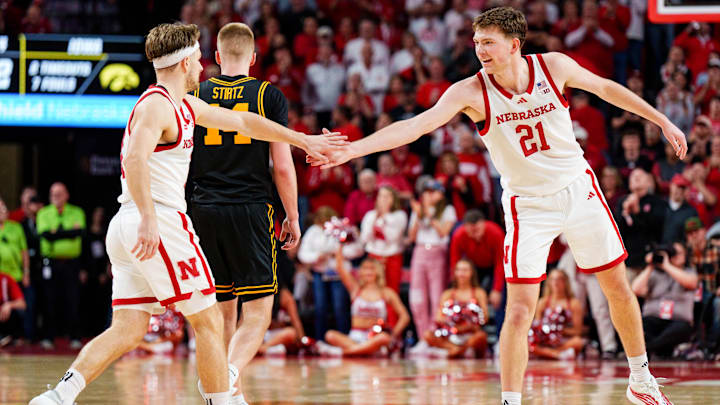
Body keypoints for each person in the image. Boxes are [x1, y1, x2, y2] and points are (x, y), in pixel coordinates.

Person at [309, 7, 686, 404]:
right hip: (528, 205)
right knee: (521, 309)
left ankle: (641, 378)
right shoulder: (469, 91)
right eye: (477, 43)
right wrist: (353, 151)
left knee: (619, 290)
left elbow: (607, 88)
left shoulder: (553, 66)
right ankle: (510, 400)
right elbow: (415, 126)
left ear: (514, 45)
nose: (480, 51)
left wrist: (660, 119)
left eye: (488, 43)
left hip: (579, 188)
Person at [29, 22, 343, 405]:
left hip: (130, 224)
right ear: (182, 64)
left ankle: (59, 397)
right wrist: (148, 218)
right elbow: (133, 158)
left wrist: (301, 138)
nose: (202, 67)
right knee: (209, 319)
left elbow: (244, 122)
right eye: (196, 60)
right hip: (156, 220)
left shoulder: (185, 104)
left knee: (128, 329)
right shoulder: (158, 105)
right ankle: (221, 400)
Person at [188, 22, 315, 405]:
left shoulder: (195, 93)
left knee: (221, 313)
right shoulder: (268, 95)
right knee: (258, 312)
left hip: (203, 209)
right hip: (250, 209)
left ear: (216, 57)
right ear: (255, 59)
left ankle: (224, 394)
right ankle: (227, 376)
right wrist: (292, 215)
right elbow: (281, 164)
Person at [317, 246, 410, 357]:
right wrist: (340, 245)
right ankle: (367, 351)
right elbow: (340, 268)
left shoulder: (386, 292)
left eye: (372, 268)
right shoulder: (356, 289)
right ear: (361, 271)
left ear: (378, 271)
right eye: (365, 269)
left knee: (384, 338)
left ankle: (341, 352)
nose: (368, 272)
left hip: (375, 337)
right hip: (354, 337)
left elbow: (405, 316)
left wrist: (393, 334)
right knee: (330, 335)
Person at [407, 180, 457, 349]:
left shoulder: (448, 210)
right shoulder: (419, 210)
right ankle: (423, 338)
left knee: (437, 296)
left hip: (437, 252)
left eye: (431, 191)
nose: (427, 195)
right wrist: (418, 215)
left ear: (440, 193)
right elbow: (412, 237)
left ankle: (435, 336)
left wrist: (428, 213)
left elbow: (443, 232)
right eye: (425, 192)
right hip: (420, 251)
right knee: (417, 297)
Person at [36, 182, 84, 350]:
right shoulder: (43, 213)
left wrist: (57, 233)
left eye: (59, 193)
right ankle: (49, 337)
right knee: (49, 300)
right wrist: (67, 234)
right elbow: (46, 235)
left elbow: (78, 233)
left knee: (72, 300)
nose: (55, 197)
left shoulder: (77, 211)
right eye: (53, 194)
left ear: (66, 195)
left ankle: (74, 337)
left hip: (71, 263)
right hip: (51, 262)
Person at [631, 243, 698, 358]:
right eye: (673, 253)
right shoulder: (655, 274)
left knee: (680, 330)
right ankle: (660, 348)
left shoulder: (689, 272)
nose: (677, 256)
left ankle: (649, 348)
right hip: (654, 319)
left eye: (679, 253)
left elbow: (691, 283)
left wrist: (667, 266)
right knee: (639, 327)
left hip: (677, 321)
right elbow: (635, 290)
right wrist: (650, 266)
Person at [424, 259, 488, 358]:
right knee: (427, 335)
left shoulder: (479, 292)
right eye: (459, 270)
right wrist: (453, 323)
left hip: (470, 333)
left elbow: (485, 316)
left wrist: (469, 323)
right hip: (451, 334)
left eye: (465, 270)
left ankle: (459, 350)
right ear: (455, 273)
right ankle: (455, 348)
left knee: (481, 337)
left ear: (472, 273)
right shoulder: (448, 293)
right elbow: (438, 317)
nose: (462, 273)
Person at [449, 210, 504, 311]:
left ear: (484, 224)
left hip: (494, 265)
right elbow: (455, 262)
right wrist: (456, 285)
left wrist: (497, 290)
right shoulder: (459, 235)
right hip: (474, 266)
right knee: (469, 293)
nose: (475, 235)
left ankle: (500, 324)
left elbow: (500, 262)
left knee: (499, 298)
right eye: (472, 231)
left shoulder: (496, 233)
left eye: (477, 230)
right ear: (465, 227)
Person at [528, 269, 585, 360]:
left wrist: (558, 330)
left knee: (578, 342)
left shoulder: (573, 303)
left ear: (565, 282)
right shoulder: (543, 302)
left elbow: (577, 331)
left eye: (559, 279)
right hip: (544, 340)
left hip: (562, 340)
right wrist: (547, 331)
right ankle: (556, 354)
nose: (556, 283)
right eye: (553, 279)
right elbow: (537, 326)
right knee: (524, 341)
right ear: (549, 282)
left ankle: (547, 353)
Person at [360, 186, 408, 294]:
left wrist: (384, 216)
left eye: (387, 196)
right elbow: (364, 239)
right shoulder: (370, 215)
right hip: (373, 257)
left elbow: (393, 238)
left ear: (393, 199)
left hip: (392, 257)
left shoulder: (400, 215)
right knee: (373, 289)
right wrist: (375, 219)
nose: (383, 199)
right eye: (381, 196)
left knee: (391, 291)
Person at [0, 272, 26, 347]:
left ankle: (11, 336)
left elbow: (23, 304)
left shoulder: (5, 279)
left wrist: (9, 305)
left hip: (4, 316)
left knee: (17, 312)